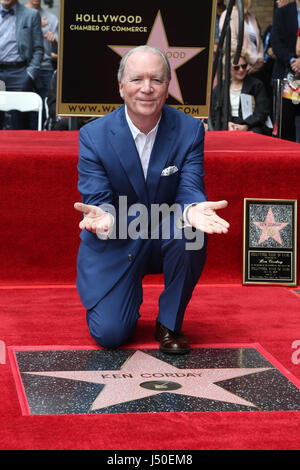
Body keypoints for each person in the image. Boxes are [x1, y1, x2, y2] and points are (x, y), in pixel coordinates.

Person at [74, 45, 229, 354]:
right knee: (110, 335)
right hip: (117, 239)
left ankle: (169, 323)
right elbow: (99, 198)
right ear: (121, 87)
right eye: (137, 79)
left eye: (156, 80)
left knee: (189, 231)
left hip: (165, 236)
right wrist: (105, 217)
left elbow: (189, 188)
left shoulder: (189, 130)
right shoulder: (94, 135)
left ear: (167, 87)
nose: (146, 88)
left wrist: (191, 211)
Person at [0, 0, 44, 129]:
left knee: (17, 124)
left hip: (19, 73)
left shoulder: (31, 14)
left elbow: (38, 48)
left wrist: (30, 74)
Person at [210, 50, 271, 134]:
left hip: (251, 125)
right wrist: (226, 124)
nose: (241, 70)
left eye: (244, 66)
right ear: (227, 68)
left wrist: (246, 125)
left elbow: (262, 111)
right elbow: (214, 112)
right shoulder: (220, 87)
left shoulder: (256, 85)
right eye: (236, 67)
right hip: (226, 125)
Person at [25, 0, 58, 127]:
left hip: (45, 67)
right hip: (22, 68)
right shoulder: (19, 14)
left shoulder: (52, 19)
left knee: (45, 109)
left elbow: (58, 52)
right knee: (19, 109)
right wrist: (36, 26)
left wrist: (54, 42)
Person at [271, 0, 300, 142]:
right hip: (286, 75)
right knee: (285, 125)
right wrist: (292, 60)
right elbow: (275, 42)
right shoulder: (283, 12)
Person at [219, 0, 264, 75]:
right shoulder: (229, 14)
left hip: (257, 67)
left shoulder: (252, 17)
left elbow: (259, 41)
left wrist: (260, 59)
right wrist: (252, 59)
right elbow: (231, 42)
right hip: (241, 67)